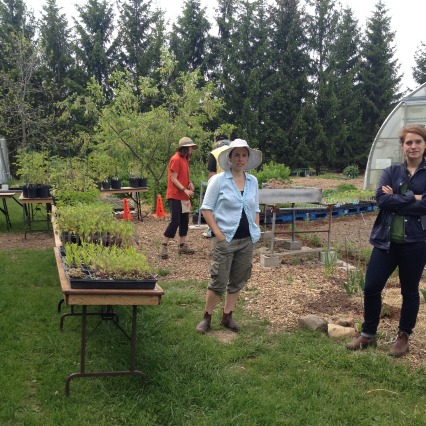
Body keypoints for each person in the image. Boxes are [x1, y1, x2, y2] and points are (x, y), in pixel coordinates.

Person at [346, 124, 426, 357]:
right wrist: (414, 197)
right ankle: (368, 334)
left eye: (417, 142)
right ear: (402, 146)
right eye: (408, 142)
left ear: (424, 145)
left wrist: (398, 198)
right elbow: (381, 200)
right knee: (371, 287)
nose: (413, 146)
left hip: (416, 243)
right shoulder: (392, 171)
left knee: (409, 291)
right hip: (386, 241)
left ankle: (403, 337)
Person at [195, 139, 262, 333]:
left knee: (238, 279)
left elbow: (255, 208)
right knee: (218, 280)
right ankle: (206, 317)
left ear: (248, 158)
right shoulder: (218, 180)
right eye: (236, 155)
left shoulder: (253, 181)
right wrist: (218, 234)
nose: (240, 159)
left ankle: (227, 315)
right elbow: (206, 209)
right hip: (225, 239)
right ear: (230, 158)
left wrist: (255, 230)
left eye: (244, 155)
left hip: (246, 239)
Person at [160, 137, 197, 259]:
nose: (192, 149)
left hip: (184, 196)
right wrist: (184, 189)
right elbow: (173, 178)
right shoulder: (175, 159)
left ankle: (182, 245)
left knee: (185, 220)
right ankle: (164, 246)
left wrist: (189, 183)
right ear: (185, 148)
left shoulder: (185, 159)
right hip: (175, 195)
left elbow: (182, 176)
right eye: (190, 147)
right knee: (175, 220)